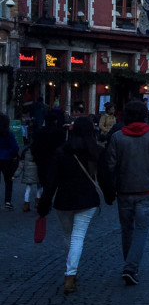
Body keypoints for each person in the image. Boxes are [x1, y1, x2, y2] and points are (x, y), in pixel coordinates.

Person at [37, 117, 115, 295]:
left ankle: (70, 268)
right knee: (77, 237)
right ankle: (70, 275)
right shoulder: (97, 152)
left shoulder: (61, 152)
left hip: (64, 200)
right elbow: (105, 178)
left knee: (68, 236)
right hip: (87, 199)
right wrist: (110, 196)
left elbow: (51, 182)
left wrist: (44, 204)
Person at [106, 100, 149, 286]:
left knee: (127, 229)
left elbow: (110, 166)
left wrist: (110, 188)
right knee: (141, 229)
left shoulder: (117, 137)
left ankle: (130, 264)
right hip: (146, 189)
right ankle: (131, 267)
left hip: (124, 189)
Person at [0, 114, 19, 211]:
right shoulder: (9, 134)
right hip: (6, 159)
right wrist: (10, 153)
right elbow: (15, 147)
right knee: (8, 181)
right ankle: (7, 201)